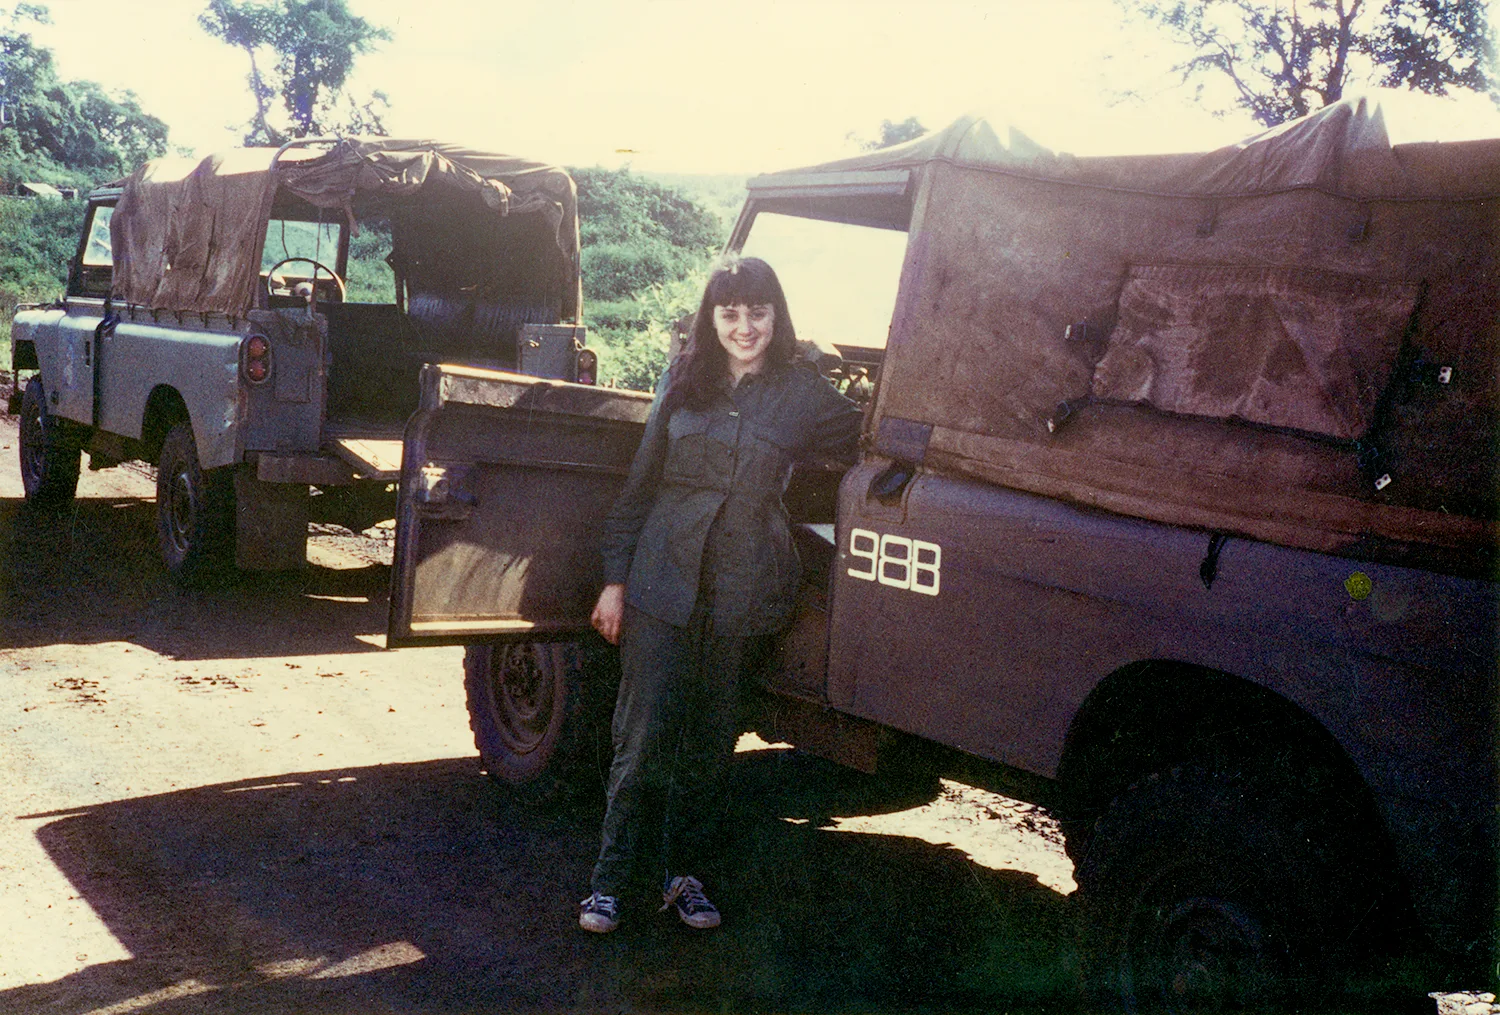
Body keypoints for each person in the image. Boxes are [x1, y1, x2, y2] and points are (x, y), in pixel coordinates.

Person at [579, 256, 862, 933]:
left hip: (744, 589)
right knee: (641, 734)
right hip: (660, 581)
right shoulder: (682, 384)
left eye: (757, 311)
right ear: (711, 318)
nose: (745, 326)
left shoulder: (803, 394)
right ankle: (610, 882)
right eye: (730, 312)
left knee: (708, 740)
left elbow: (871, 430)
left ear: (776, 315)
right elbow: (639, 489)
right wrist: (615, 581)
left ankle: (684, 877)